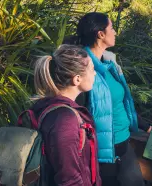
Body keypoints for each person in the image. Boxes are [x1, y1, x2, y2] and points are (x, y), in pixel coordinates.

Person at [75, 12, 151, 186]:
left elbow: (122, 103)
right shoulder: (83, 69)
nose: (115, 32)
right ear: (101, 34)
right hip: (101, 152)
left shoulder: (110, 64)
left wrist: (146, 126)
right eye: (112, 28)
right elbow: (78, 113)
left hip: (124, 144)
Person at [31, 44, 100, 185]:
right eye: (92, 69)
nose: (95, 73)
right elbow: (69, 179)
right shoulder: (65, 121)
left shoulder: (49, 107)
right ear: (77, 79)